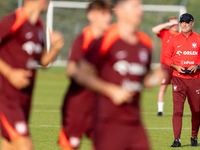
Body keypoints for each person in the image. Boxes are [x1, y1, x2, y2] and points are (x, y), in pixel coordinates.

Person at [75, 0, 165, 149]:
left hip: (134, 121)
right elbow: (81, 74)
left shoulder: (146, 43)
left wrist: (155, 79)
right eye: (135, 6)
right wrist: (112, 91)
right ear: (119, 10)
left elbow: (140, 81)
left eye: (140, 6)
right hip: (107, 121)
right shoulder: (106, 39)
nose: (140, 10)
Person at [0, 0, 64, 149]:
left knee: (9, 145)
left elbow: (43, 61)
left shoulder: (38, 26)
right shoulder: (14, 20)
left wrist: (55, 48)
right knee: (25, 146)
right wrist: (9, 73)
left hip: (24, 97)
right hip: (6, 97)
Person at [58, 1, 112, 150]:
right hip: (77, 107)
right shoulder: (84, 38)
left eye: (109, 14)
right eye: (103, 14)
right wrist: (89, 73)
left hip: (100, 107)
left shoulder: (110, 39)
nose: (107, 18)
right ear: (91, 16)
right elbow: (71, 70)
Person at [164, 13, 200, 147]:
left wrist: (197, 66)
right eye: (182, 22)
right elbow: (166, 58)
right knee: (177, 110)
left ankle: (194, 136)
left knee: (196, 110)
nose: (183, 24)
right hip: (178, 79)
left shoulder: (198, 39)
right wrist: (175, 66)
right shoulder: (174, 39)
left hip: (196, 79)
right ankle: (177, 140)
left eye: (186, 22)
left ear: (192, 23)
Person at [152, 16, 179, 116]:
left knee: (178, 89)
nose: (175, 25)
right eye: (173, 23)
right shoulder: (165, 32)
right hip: (165, 64)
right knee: (163, 87)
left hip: (177, 65)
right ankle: (160, 111)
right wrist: (168, 24)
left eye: (176, 23)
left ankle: (177, 110)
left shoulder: (180, 35)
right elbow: (154, 30)